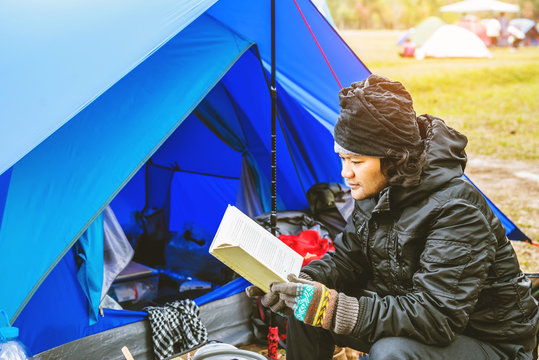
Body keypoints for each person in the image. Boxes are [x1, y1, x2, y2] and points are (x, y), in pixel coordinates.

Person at [246, 74, 539, 359]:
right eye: (342, 158)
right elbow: (347, 261)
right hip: (418, 322)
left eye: (357, 161)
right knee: (306, 307)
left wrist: (333, 309)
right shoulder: (376, 190)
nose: (345, 173)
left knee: (391, 351)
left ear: (393, 159)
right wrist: (301, 283)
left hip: (490, 345)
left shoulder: (457, 210)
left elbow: (437, 318)